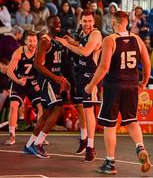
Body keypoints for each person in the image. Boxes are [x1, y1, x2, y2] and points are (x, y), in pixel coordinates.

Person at [85, 11, 151, 174]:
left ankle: (110, 162)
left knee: (110, 124)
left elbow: (104, 67)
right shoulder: (137, 39)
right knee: (131, 120)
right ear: (127, 23)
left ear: (113, 23)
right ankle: (140, 147)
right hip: (131, 85)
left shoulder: (110, 40)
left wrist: (91, 85)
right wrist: (144, 81)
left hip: (114, 86)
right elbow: (147, 63)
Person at [56, 10, 102, 162]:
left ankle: (91, 147)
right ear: (81, 21)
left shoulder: (95, 34)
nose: (87, 24)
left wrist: (66, 45)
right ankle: (83, 139)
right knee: (80, 107)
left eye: (90, 21)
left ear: (94, 22)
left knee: (89, 111)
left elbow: (86, 51)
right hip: (80, 74)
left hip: (92, 76)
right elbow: (81, 43)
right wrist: (71, 41)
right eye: (85, 21)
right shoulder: (82, 32)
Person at [23, 15, 70, 158]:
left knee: (46, 114)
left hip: (54, 80)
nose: (57, 25)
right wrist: (56, 78)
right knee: (59, 109)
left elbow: (55, 65)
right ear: (48, 25)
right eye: (54, 23)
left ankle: (30, 144)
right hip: (47, 81)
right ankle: (38, 143)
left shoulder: (57, 41)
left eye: (59, 23)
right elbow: (37, 65)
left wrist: (62, 78)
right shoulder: (45, 41)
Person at [5, 30, 43, 145]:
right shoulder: (18, 52)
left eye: (34, 41)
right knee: (14, 105)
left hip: (33, 83)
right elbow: (9, 71)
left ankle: (39, 136)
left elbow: (43, 70)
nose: (32, 43)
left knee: (41, 107)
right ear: (25, 42)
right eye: (30, 41)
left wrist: (39, 84)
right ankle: (11, 135)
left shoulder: (39, 52)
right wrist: (17, 80)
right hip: (19, 82)